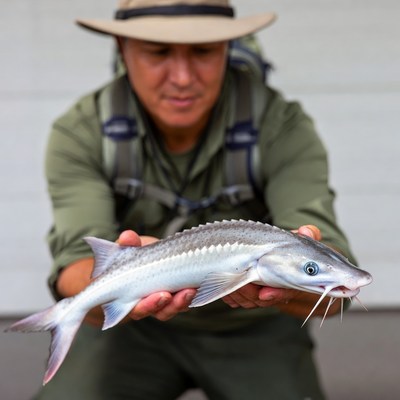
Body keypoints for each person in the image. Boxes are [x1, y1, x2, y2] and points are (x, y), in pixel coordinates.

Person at [36, 1, 356, 399]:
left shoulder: (282, 126)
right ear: (122, 47)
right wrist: (133, 282)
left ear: (228, 47)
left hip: (252, 326)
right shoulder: (81, 132)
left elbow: (334, 293)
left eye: (203, 51)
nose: (183, 77)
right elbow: (72, 267)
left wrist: (286, 285)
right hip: (130, 331)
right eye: (158, 51)